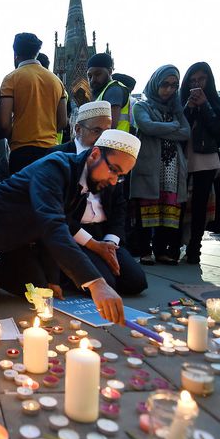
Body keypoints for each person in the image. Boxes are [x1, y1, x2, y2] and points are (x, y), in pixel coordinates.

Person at [0, 129, 141, 325]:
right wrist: (96, 282)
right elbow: (53, 226)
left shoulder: (83, 181)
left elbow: (62, 224)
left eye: (120, 175)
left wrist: (53, 277)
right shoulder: (55, 167)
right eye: (113, 170)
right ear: (95, 154)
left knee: (39, 288)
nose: (114, 181)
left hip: (17, 240)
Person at [51, 101, 147, 295]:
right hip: (73, 234)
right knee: (107, 283)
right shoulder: (59, 157)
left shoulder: (113, 159)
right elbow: (57, 215)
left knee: (136, 282)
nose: (103, 137)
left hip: (102, 232)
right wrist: (93, 246)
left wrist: (110, 243)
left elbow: (120, 208)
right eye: (97, 131)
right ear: (78, 129)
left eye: (107, 131)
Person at [130, 65, 190, 265]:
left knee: (168, 209)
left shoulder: (176, 108)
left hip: (172, 167)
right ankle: (144, 251)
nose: (169, 90)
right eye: (164, 84)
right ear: (155, 83)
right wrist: (173, 127)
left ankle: (161, 250)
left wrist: (161, 129)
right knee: (146, 208)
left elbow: (186, 132)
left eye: (174, 85)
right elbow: (146, 126)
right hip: (149, 165)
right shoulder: (141, 106)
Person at [179, 62, 220, 264]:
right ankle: (175, 244)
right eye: (193, 80)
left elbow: (219, 131)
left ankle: (194, 248)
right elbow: (179, 127)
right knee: (179, 203)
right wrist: (189, 108)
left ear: (209, 80)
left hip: (206, 159)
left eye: (201, 79)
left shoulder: (219, 102)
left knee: (200, 205)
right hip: (182, 157)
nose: (197, 84)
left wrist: (205, 105)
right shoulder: (181, 102)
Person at [0, 33, 67, 173]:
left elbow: (5, 124)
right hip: (50, 151)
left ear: (15, 53)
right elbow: (62, 122)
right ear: (37, 52)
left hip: (21, 153)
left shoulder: (11, 79)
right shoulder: (56, 81)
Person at [87, 52, 131, 132]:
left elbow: (109, 126)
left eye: (98, 74)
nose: (93, 80)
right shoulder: (103, 91)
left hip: (114, 142)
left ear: (110, 71)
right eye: (90, 76)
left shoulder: (114, 90)